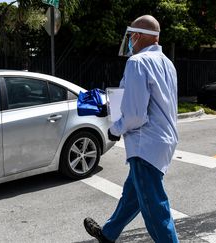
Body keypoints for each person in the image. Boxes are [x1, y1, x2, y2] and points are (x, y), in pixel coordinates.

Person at [83, 15, 179, 243]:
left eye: (131, 38)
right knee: (134, 194)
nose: (130, 43)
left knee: (155, 207)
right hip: (163, 140)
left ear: (136, 35)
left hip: (145, 143)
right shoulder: (167, 63)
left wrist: (114, 130)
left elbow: (136, 114)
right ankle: (108, 234)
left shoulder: (137, 62)